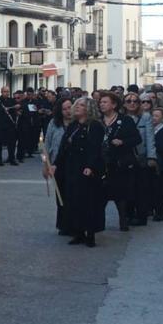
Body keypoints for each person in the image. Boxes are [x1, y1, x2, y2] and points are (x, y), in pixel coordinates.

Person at [57, 97, 105, 247]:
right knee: (73, 200)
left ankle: (90, 234)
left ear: (88, 109)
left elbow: (94, 148)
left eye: (81, 105)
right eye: (76, 105)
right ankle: (78, 232)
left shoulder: (95, 126)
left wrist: (90, 166)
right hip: (72, 167)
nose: (77, 107)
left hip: (86, 168)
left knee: (88, 201)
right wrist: (55, 164)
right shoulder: (73, 126)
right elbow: (63, 148)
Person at [96, 90, 139, 232]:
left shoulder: (125, 120)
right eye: (101, 102)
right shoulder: (97, 121)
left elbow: (136, 138)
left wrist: (122, 142)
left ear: (113, 105)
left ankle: (123, 219)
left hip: (119, 162)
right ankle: (98, 222)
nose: (102, 105)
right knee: (100, 194)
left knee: (120, 194)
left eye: (105, 102)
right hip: (102, 162)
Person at [123, 92, 156, 226]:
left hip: (140, 156)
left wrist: (151, 157)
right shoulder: (121, 118)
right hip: (125, 157)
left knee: (141, 188)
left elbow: (149, 137)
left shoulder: (146, 117)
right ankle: (128, 214)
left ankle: (141, 215)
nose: (132, 103)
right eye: (129, 101)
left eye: (135, 101)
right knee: (127, 187)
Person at [43, 97, 73, 235]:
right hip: (57, 164)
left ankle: (73, 224)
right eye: (65, 109)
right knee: (60, 195)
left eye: (69, 107)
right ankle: (62, 224)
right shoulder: (54, 124)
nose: (68, 111)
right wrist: (45, 164)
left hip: (73, 165)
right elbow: (46, 145)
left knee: (72, 195)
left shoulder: (77, 123)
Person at [0, 86, 18, 166]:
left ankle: (11, 159)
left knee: (12, 143)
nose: (6, 93)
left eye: (7, 91)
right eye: (5, 91)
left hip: (10, 125)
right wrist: (4, 109)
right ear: (1, 92)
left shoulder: (12, 100)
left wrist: (15, 108)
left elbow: (15, 112)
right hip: (0, 125)